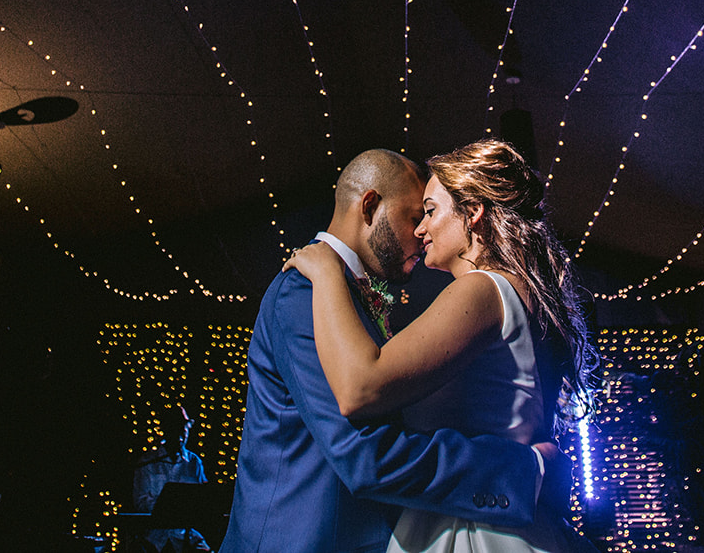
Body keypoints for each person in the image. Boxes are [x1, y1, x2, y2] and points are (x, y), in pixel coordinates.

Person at [220, 148, 567, 553]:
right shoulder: (305, 291)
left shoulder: (476, 289)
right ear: (370, 206)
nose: (420, 230)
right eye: (413, 215)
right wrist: (525, 471)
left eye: (430, 212)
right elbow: (363, 452)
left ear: (472, 214)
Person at [130, 403, 210, 552]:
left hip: (186, 535)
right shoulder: (147, 463)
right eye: (176, 428)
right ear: (166, 431)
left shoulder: (194, 462)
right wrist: (166, 510)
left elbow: (202, 500)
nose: (182, 433)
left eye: (184, 428)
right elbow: (140, 502)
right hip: (154, 537)